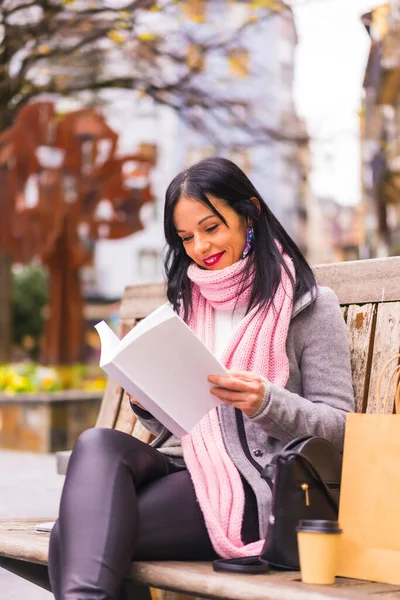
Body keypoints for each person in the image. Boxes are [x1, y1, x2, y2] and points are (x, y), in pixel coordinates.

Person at [48, 157, 354, 600]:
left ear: (249, 213)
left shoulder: (309, 306)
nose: (199, 248)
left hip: (254, 480)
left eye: (211, 228)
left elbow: (341, 429)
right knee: (97, 444)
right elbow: (185, 420)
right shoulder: (187, 307)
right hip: (184, 462)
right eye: (186, 237)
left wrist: (266, 402)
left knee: (70, 536)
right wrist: (147, 399)